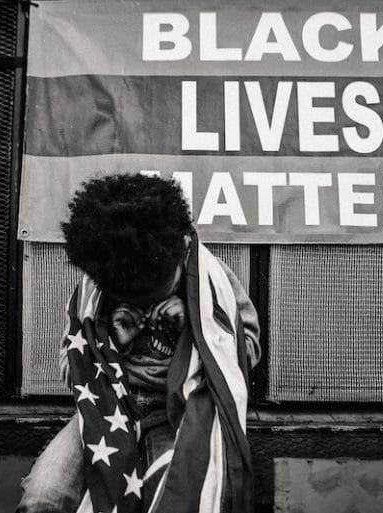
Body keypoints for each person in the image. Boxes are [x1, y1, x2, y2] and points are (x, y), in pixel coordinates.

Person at [17, 174, 261, 513]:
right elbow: (72, 372)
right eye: (135, 301)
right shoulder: (97, 290)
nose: (146, 308)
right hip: (106, 405)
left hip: (180, 409)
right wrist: (114, 345)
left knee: (177, 496)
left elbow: (246, 357)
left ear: (181, 252)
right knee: (43, 498)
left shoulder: (212, 283)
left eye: (156, 295)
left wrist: (192, 329)